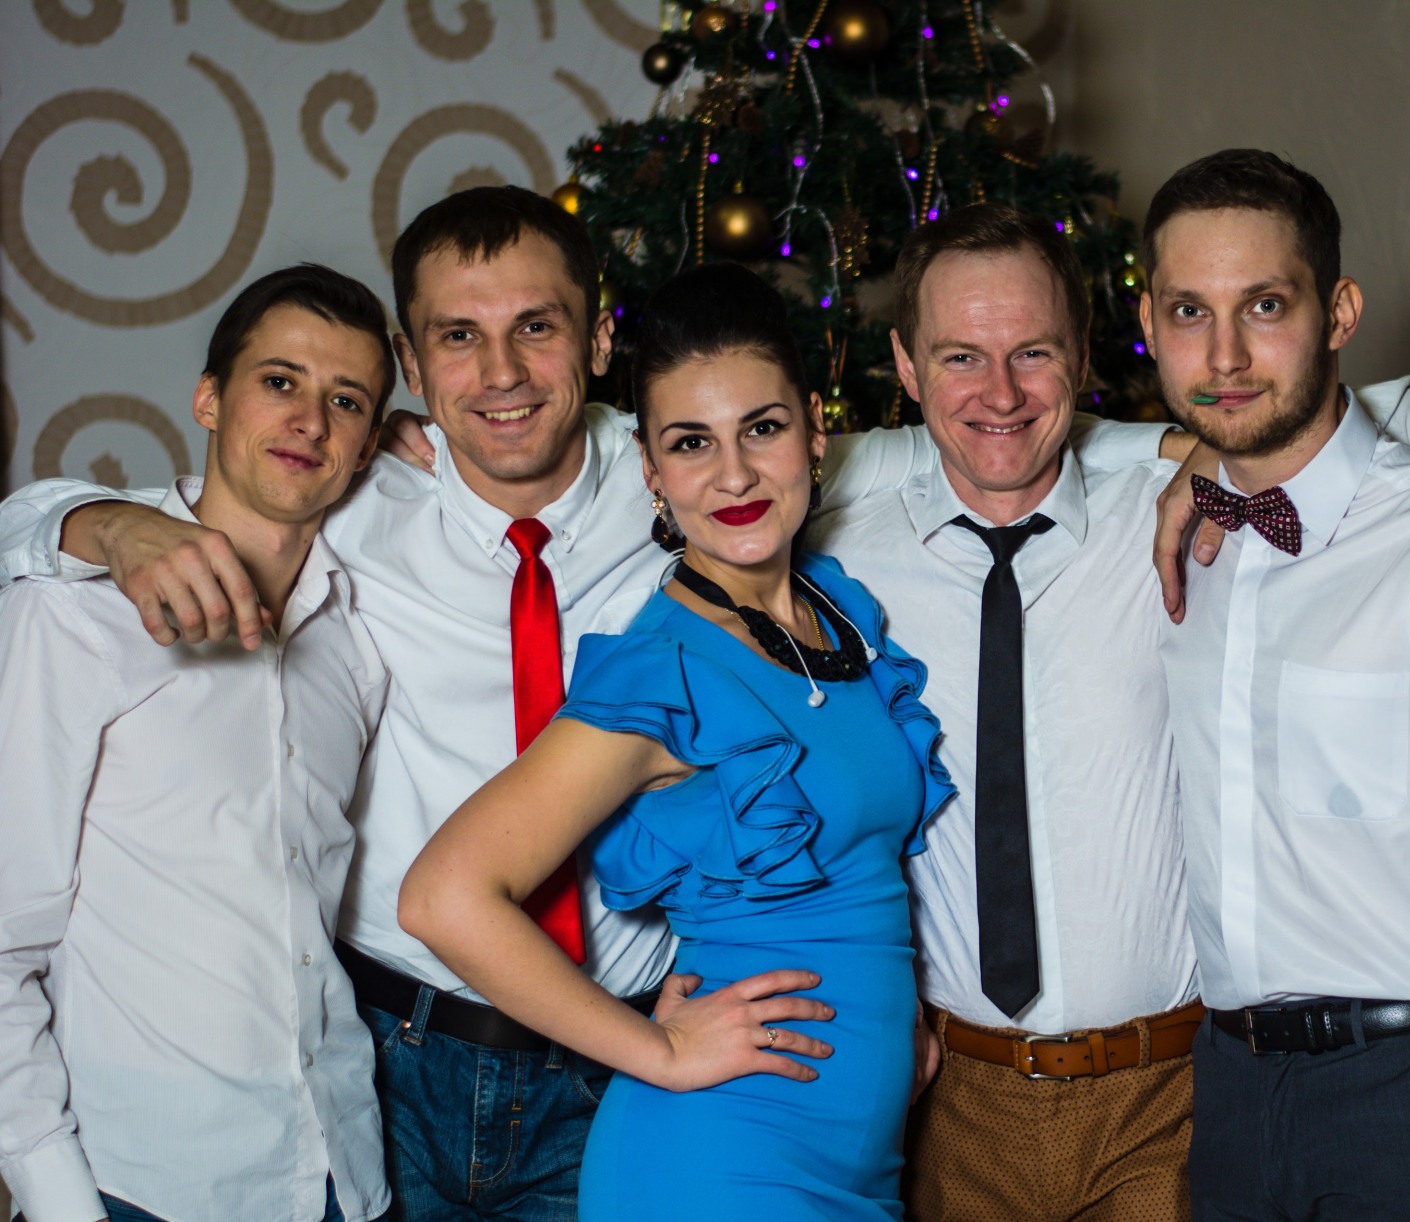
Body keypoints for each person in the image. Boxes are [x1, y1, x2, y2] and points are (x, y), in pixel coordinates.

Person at [0, 187, 975, 1220]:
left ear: (598, 339)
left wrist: (1164, 456)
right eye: (459, 336)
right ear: (414, 367)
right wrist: (100, 521)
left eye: (536, 327)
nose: (502, 374)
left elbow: (965, 446)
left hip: (617, 1051)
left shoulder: (683, 460)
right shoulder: (350, 500)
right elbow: (141, 516)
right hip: (394, 1060)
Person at [811, 201, 1410, 1221]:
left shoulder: (1193, 510)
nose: (1000, 393)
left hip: (1171, 1097)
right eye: (958, 359)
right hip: (957, 1098)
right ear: (904, 364)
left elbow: (1309, 413)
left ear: (1085, 357)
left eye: (1033, 353)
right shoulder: (833, 551)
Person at [398, 261, 954, 1219]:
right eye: (691, 443)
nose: (733, 475)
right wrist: (656, 1048)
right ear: (651, 471)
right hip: (719, 1161)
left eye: (762, 429)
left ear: (816, 430)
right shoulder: (665, 671)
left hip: (859, 1161)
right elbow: (444, 897)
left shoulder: (837, 611)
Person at [1145, 149, 1410, 1222]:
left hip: (1406, 1092)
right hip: (1227, 1093)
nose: (1225, 355)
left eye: (1265, 305)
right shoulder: (1180, 529)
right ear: (1148, 322)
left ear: (1340, 311)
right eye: (1189, 311)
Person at [0, 265, 395, 1222]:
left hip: (346, 1172)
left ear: (366, 449)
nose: (310, 421)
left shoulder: (360, 640)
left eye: (346, 400)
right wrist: (58, 1199)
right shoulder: (73, 614)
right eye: (280, 381)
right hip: (145, 1184)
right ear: (209, 399)